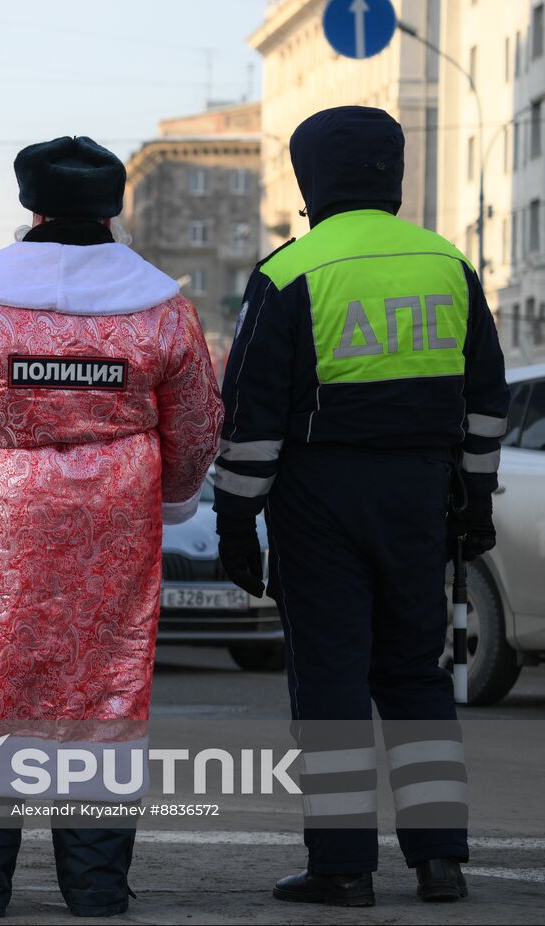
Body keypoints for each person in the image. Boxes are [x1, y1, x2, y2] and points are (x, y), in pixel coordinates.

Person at [0, 136, 224, 918]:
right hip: (118, 513)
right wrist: (169, 498)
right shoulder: (162, 311)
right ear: (112, 209)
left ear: (30, 204)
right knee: (104, 687)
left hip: (0, 514)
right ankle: (96, 886)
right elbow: (198, 425)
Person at [213, 106, 508, 906]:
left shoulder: (290, 273)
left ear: (310, 182)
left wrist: (236, 521)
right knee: (417, 673)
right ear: (396, 175)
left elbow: (251, 417)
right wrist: (474, 500)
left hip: (320, 500)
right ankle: (440, 860)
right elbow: (487, 401)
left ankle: (342, 868)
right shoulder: (448, 265)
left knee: (333, 678)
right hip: (422, 496)